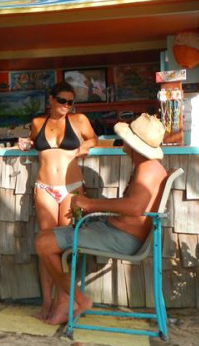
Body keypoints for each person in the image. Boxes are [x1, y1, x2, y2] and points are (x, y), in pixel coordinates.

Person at [34, 113, 168, 325]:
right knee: (52, 242)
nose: (122, 143)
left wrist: (90, 204)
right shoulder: (147, 167)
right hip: (116, 232)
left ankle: (78, 300)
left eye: (126, 139)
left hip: (123, 239)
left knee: (44, 243)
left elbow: (134, 208)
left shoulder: (148, 169)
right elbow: (134, 206)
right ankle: (64, 302)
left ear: (133, 144)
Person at [18, 81, 97, 321]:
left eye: (71, 102)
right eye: (62, 100)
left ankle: (64, 302)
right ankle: (47, 303)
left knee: (63, 245)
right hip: (44, 187)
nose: (67, 106)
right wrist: (26, 144)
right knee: (45, 244)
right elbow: (34, 145)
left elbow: (94, 139)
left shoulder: (79, 120)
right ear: (50, 100)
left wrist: (84, 147)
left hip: (71, 187)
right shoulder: (38, 123)